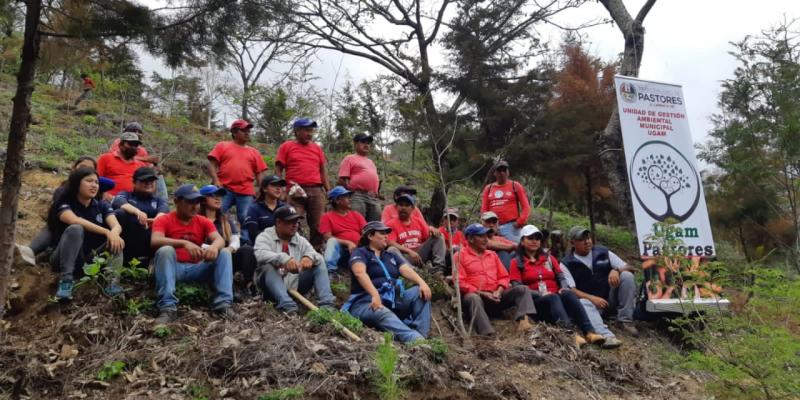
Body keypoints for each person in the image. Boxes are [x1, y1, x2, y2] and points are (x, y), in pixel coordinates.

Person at [509, 225, 607, 348]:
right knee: (553, 298)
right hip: (536, 302)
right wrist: (541, 294)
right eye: (530, 238)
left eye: (537, 238)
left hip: (556, 297)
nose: (535, 241)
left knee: (569, 294)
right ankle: (570, 334)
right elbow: (518, 288)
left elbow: (560, 276)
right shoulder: (516, 262)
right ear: (522, 241)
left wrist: (563, 287)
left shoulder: (548, 258)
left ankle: (589, 332)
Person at [151, 184, 235, 324]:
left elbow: (219, 239)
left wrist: (214, 247)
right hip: (173, 268)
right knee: (165, 250)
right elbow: (155, 240)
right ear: (177, 201)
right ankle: (167, 307)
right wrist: (183, 243)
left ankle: (223, 304)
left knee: (224, 253)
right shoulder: (164, 219)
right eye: (190, 202)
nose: (195, 206)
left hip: (196, 268)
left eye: (197, 202)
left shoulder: (203, 221)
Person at [343, 221, 432, 343]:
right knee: (381, 312)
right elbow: (360, 273)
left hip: (393, 301)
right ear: (370, 236)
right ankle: (415, 340)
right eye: (382, 233)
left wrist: (422, 282)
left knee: (419, 292)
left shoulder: (389, 255)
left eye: (387, 233)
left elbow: (405, 269)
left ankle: (421, 335)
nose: (386, 236)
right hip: (365, 303)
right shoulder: (360, 253)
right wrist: (374, 294)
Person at [16, 157, 113, 265]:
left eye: (90, 169)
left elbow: (111, 184)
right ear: (73, 168)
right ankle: (32, 251)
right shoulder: (63, 191)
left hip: (88, 238)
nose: (86, 171)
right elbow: (69, 218)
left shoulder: (94, 191)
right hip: (66, 228)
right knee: (56, 223)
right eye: (83, 168)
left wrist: (92, 178)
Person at [46, 167, 125, 300]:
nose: (94, 185)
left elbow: (116, 225)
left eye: (96, 182)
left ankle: (112, 283)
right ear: (77, 183)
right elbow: (74, 220)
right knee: (76, 228)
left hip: (88, 259)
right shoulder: (65, 203)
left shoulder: (102, 205)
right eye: (89, 181)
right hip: (62, 258)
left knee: (117, 240)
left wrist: (114, 234)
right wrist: (107, 232)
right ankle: (66, 281)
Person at [560, 226, 638, 342]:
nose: (587, 242)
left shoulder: (603, 252)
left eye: (588, 238)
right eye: (582, 239)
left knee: (626, 276)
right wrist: (592, 298)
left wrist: (617, 270)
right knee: (582, 302)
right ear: (572, 242)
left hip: (610, 299)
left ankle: (625, 321)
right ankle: (605, 334)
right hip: (591, 305)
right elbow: (571, 289)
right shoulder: (566, 263)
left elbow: (630, 268)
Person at [456, 223, 536, 336]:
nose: (485, 240)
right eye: (481, 236)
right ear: (470, 239)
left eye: (486, 236)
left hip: (496, 296)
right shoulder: (460, 256)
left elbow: (504, 276)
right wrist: (482, 293)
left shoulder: (492, 255)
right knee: (473, 298)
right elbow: (460, 282)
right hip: (477, 299)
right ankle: (487, 333)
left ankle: (524, 321)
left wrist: (498, 291)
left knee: (522, 289)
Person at [252, 205, 335, 314]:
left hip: (294, 285)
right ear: (278, 222)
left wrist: (308, 257)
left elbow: (314, 254)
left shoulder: (299, 239)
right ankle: (287, 305)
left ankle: (327, 305)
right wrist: (284, 259)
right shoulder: (265, 236)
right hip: (269, 290)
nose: (295, 225)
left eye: (296, 221)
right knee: (267, 266)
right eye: (290, 221)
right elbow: (260, 254)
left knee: (319, 262)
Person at [208, 119, 269, 241]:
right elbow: (211, 164)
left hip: (246, 190)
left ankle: (245, 242)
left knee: (246, 217)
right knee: (217, 213)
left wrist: (261, 189)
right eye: (244, 130)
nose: (248, 133)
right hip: (224, 188)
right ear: (234, 132)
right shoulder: (223, 146)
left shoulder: (254, 152)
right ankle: (216, 239)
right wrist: (215, 180)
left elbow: (259, 173)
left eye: (249, 131)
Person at [275, 118, 330, 248]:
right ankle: (294, 249)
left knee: (318, 223)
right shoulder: (287, 146)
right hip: (295, 189)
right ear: (297, 131)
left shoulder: (317, 148)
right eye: (306, 130)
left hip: (316, 189)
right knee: (292, 220)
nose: (309, 133)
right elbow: (278, 169)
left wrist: (328, 191)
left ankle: (315, 250)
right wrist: (281, 189)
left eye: (311, 130)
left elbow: (323, 171)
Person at [199, 185, 258, 299]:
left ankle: (247, 285)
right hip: (205, 257)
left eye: (219, 196)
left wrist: (229, 249)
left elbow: (235, 239)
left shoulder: (225, 220)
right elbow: (195, 241)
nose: (218, 199)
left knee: (247, 250)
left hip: (227, 255)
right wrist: (216, 249)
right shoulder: (196, 219)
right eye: (212, 196)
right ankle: (224, 288)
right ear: (203, 200)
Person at [111, 166, 169, 266]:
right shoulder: (126, 195)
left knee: (165, 222)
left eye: (151, 180)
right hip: (127, 239)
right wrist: (137, 212)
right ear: (134, 182)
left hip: (148, 240)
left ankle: (153, 262)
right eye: (144, 180)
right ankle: (117, 258)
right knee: (120, 213)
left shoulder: (159, 200)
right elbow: (118, 202)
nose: (149, 183)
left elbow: (164, 211)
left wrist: (155, 221)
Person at [385, 193, 446, 273]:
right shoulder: (391, 224)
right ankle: (416, 272)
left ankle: (438, 269)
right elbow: (390, 242)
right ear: (397, 207)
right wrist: (409, 251)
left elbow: (427, 237)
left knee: (438, 236)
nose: (403, 207)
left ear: (413, 208)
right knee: (391, 249)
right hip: (405, 257)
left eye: (407, 205)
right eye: (401, 205)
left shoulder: (418, 221)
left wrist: (433, 230)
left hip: (420, 254)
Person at [110, 122, 167, 200]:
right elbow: (120, 156)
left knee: (158, 176)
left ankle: (162, 201)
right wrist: (146, 159)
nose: (137, 133)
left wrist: (155, 167)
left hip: (138, 178)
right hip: (122, 175)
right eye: (133, 130)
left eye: (139, 132)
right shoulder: (120, 142)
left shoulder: (142, 150)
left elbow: (147, 167)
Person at [480, 160, 531, 243]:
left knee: (514, 251)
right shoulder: (488, 188)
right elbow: (484, 209)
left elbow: (526, 207)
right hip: (492, 227)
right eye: (499, 170)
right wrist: (487, 225)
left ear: (508, 172)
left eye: (504, 170)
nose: (502, 173)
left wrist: (519, 222)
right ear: (495, 173)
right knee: (494, 252)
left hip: (511, 226)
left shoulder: (515, 185)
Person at [320, 186, 367, 275]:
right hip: (341, 252)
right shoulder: (327, 217)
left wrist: (361, 244)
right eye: (346, 197)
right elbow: (327, 237)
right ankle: (330, 271)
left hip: (358, 250)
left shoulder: (356, 215)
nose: (350, 200)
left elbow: (366, 231)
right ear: (337, 201)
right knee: (331, 241)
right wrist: (347, 243)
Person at [337, 133, 381, 221]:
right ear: (356, 144)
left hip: (372, 196)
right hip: (357, 195)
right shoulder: (349, 158)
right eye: (363, 142)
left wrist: (376, 193)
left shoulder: (370, 162)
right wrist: (349, 194)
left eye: (368, 143)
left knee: (375, 225)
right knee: (358, 222)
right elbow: (343, 178)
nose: (366, 145)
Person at [97, 131, 147, 199]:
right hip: (109, 200)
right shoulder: (105, 158)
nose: (133, 147)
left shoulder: (141, 165)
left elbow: (145, 187)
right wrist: (103, 194)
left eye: (136, 145)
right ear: (121, 145)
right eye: (130, 144)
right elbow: (96, 179)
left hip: (133, 202)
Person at [243, 175, 287, 241]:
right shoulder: (254, 208)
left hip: (284, 245)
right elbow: (253, 234)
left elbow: (294, 231)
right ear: (264, 189)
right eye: (274, 185)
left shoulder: (286, 208)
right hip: (262, 246)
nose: (278, 188)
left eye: (280, 186)